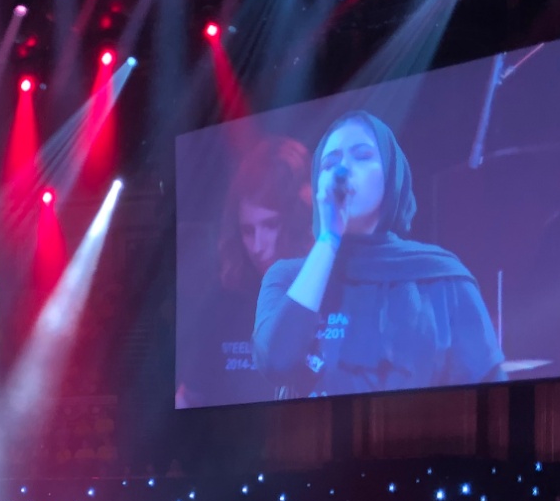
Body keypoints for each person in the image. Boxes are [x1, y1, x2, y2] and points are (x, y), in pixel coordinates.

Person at [252, 109, 503, 398]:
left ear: (391, 175)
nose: (342, 170)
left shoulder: (443, 277)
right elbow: (276, 362)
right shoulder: (288, 277)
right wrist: (328, 239)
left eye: (362, 156)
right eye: (330, 162)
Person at [178, 134, 313, 406]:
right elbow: (189, 397)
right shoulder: (223, 301)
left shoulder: (335, 288)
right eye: (247, 230)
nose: (258, 246)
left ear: (297, 220)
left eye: (271, 225)